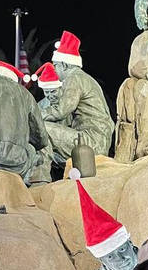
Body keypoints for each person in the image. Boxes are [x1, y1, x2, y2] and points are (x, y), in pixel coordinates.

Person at [31, 36, 114, 175]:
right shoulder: (83, 78)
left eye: (55, 65)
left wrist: (33, 117)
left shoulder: (74, 78)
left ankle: (39, 177)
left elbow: (60, 111)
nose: (55, 70)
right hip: (94, 140)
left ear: (64, 65)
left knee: (41, 127)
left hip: (90, 142)